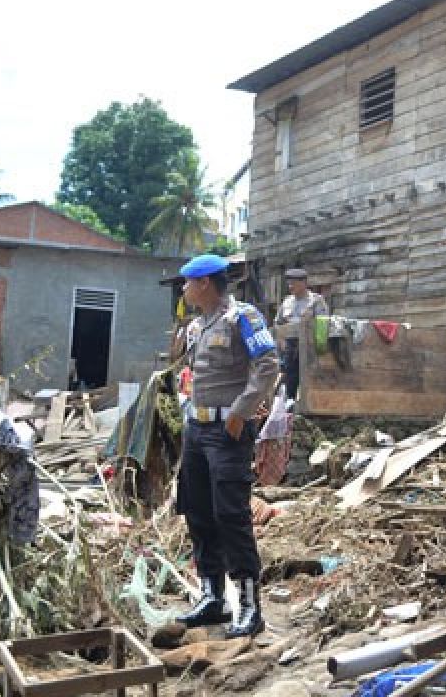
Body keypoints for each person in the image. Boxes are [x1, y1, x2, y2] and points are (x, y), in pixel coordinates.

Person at [175, 253, 280, 636]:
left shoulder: (243, 317)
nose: (184, 289)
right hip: (197, 431)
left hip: (227, 432)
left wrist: (242, 410)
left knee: (230, 515)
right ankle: (211, 597)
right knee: (198, 512)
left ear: (204, 283)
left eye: (187, 282)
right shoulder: (197, 325)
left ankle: (250, 606)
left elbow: (268, 363)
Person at [272, 267, 329, 400]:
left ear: (303, 283)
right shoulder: (287, 302)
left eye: (294, 283)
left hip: (309, 347)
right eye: (289, 283)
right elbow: (277, 324)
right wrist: (280, 342)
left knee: (310, 380)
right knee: (291, 380)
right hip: (290, 348)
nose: (290, 286)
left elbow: (323, 324)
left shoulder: (316, 301)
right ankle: (291, 408)